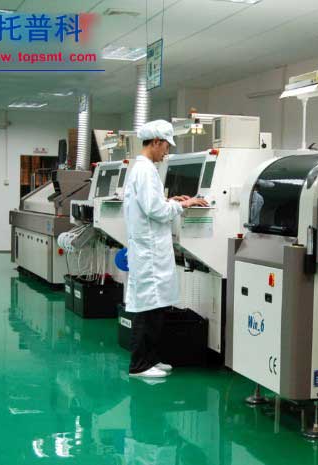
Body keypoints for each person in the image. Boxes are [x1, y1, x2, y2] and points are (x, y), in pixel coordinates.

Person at [123, 120, 208, 378]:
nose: (166, 152)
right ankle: (139, 365)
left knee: (155, 307)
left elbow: (150, 204)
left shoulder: (142, 169)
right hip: (149, 251)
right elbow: (155, 211)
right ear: (156, 142)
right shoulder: (145, 170)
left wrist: (169, 199)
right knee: (147, 309)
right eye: (166, 147)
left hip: (149, 249)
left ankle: (151, 359)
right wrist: (185, 204)